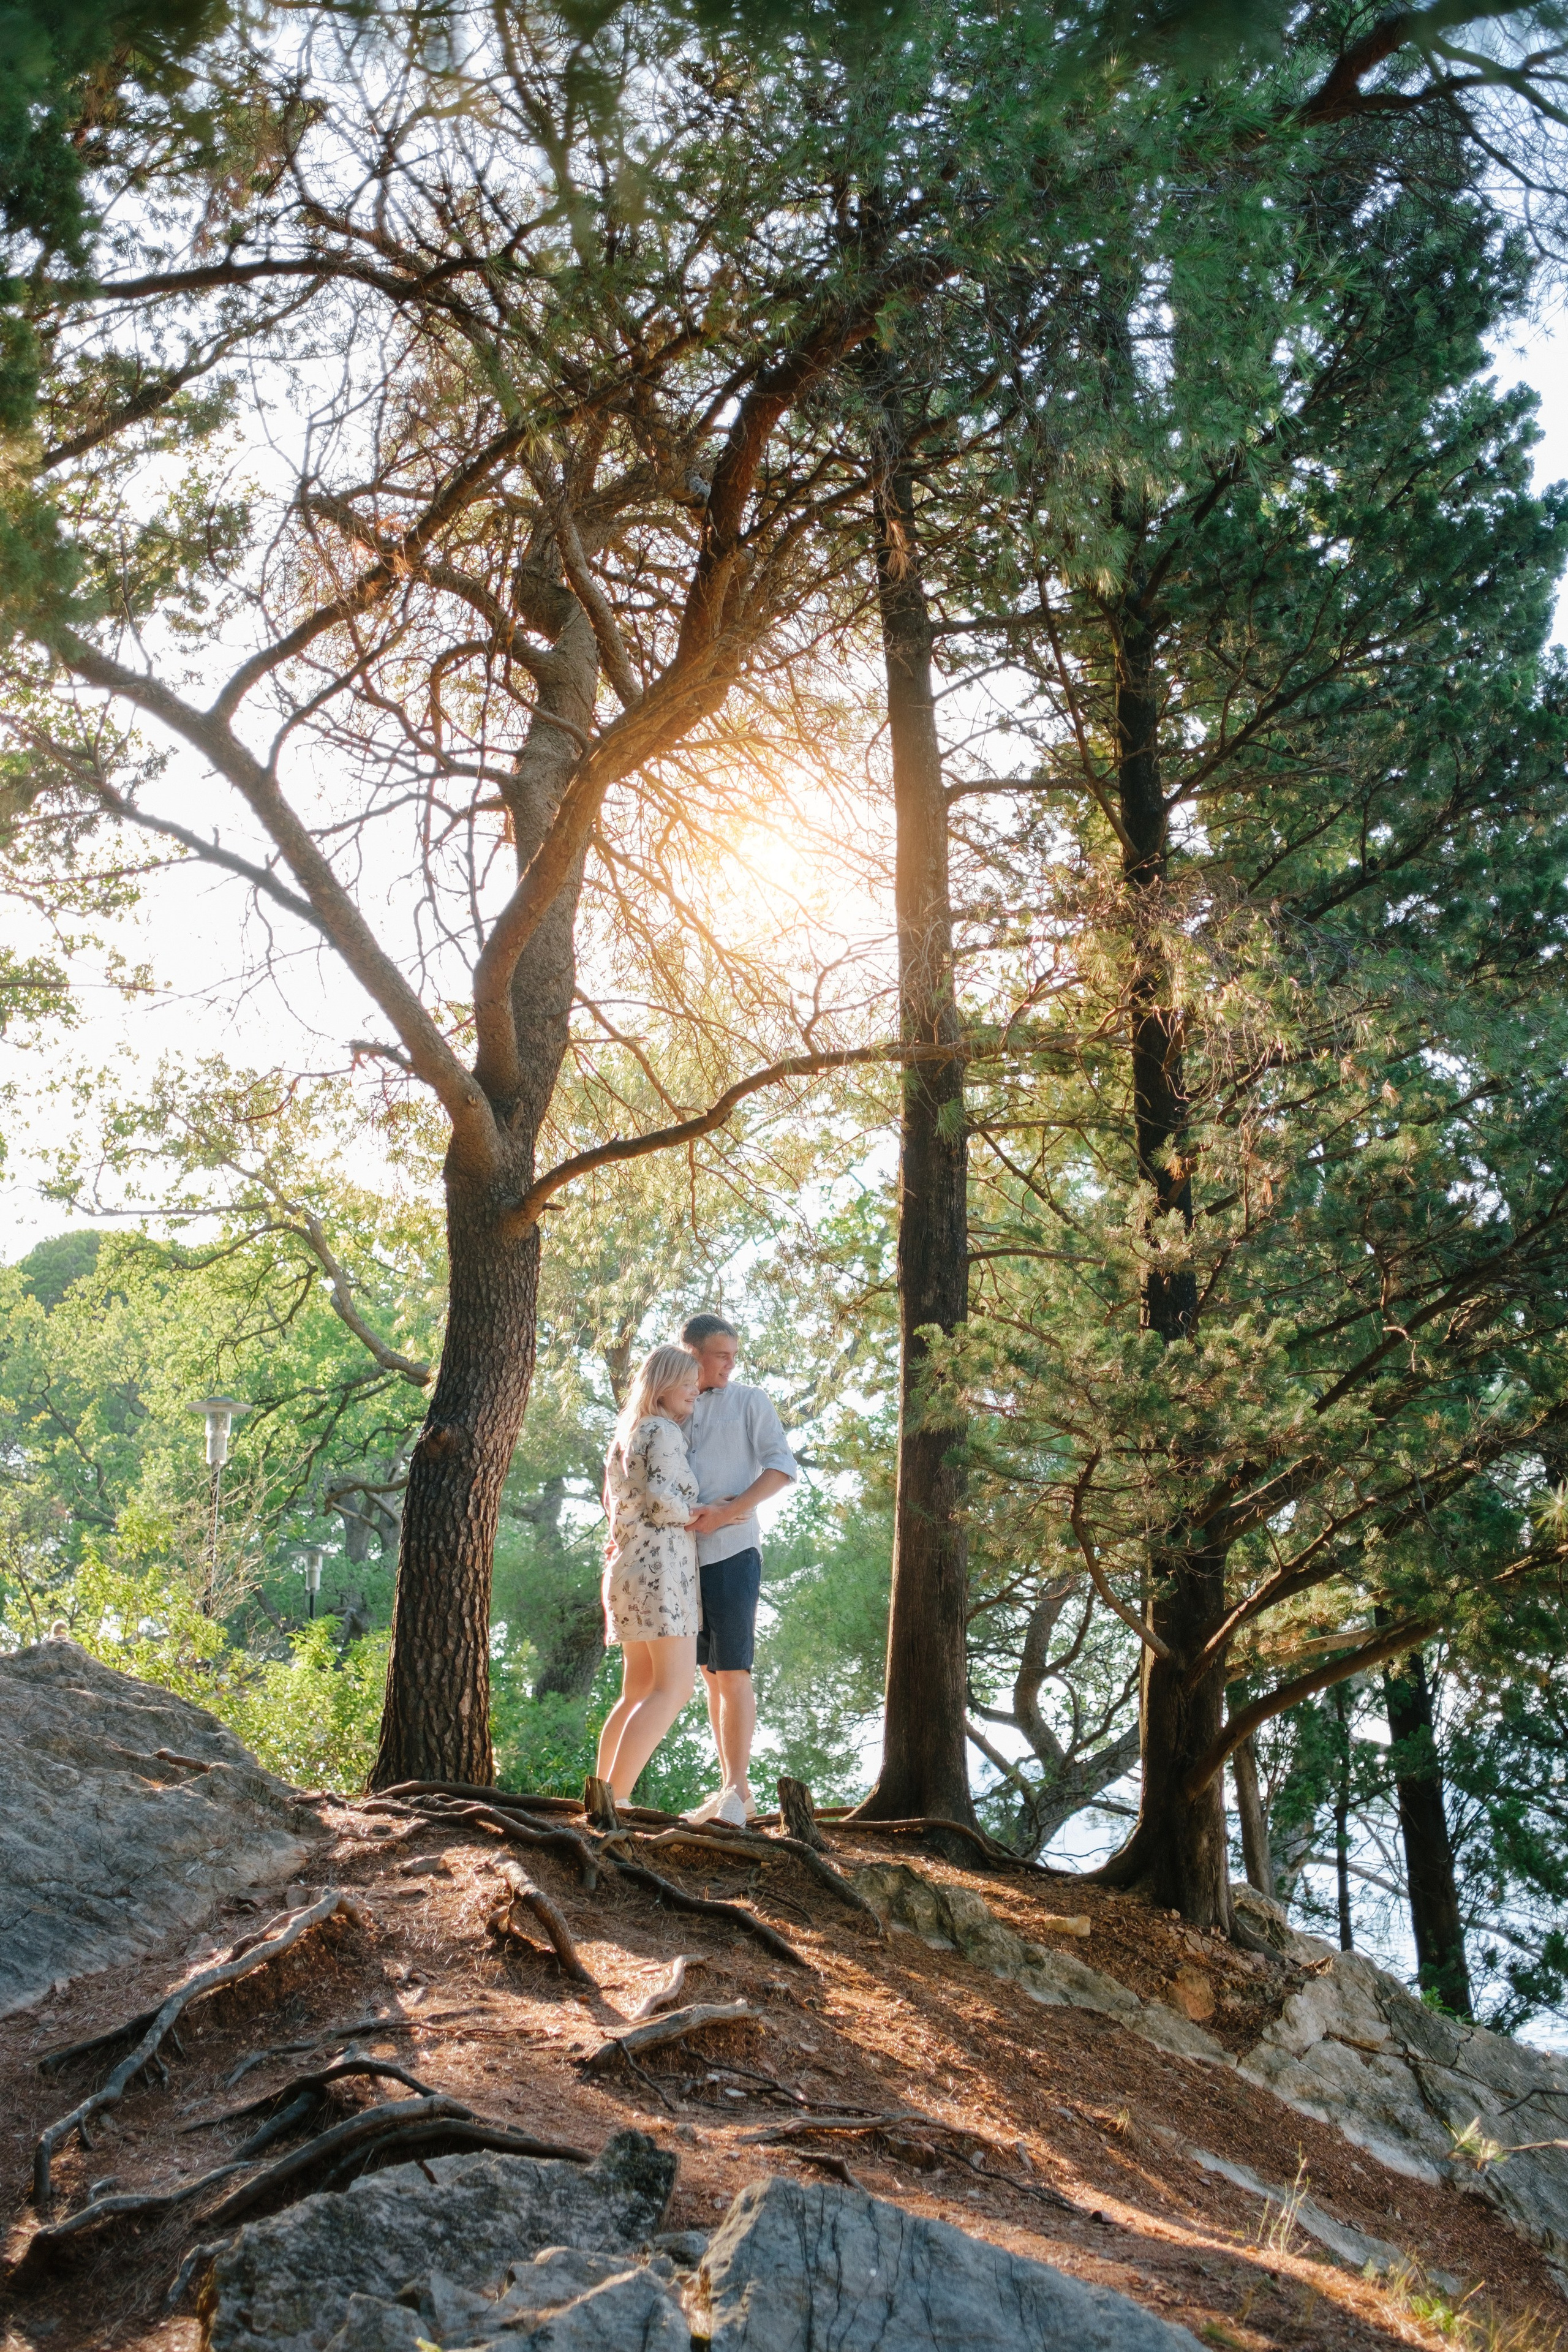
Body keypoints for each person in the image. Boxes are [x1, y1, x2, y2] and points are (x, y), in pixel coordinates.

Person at [680, 1311, 797, 1825]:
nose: (731, 1364)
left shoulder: (751, 1401)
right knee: (709, 1674)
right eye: (722, 1355)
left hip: (732, 1553)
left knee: (733, 1671)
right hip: (681, 1562)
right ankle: (733, 1790)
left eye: (734, 1355)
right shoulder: (673, 1407)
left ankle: (737, 1789)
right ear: (693, 1356)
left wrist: (728, 1511)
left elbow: (781, 1467)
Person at [595, 1344, 702, 1805]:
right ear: (663, 1387)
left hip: (626, 1569)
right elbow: (663, 1500)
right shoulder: (663, 1429)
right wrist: (701, 1514)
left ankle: (601, 1796)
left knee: (637, 1689)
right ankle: (616, 1801)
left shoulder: (625, 1435)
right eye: (688, 1383)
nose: (695, 1391)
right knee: (674, 1688)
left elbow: (615, 1508)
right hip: (662, 1571)